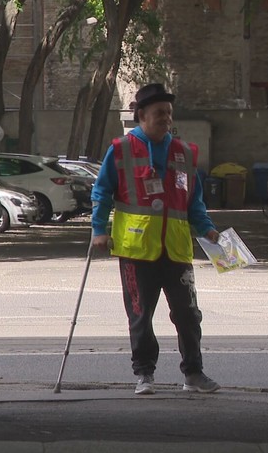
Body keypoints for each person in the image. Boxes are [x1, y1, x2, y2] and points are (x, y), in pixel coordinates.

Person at [91, 83, 222, 396]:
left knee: (188, 314)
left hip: (176, 250)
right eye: (159, 113)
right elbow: (101, 191)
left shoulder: (185, 153)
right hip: (137, 250)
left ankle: (193, 373)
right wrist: (99, 229)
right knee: (140, 314)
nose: (166, 118)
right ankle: (145, 374)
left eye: (169, 113)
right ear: (141, 115)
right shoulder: (121, 149)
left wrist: (207, 229)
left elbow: (194, 202)